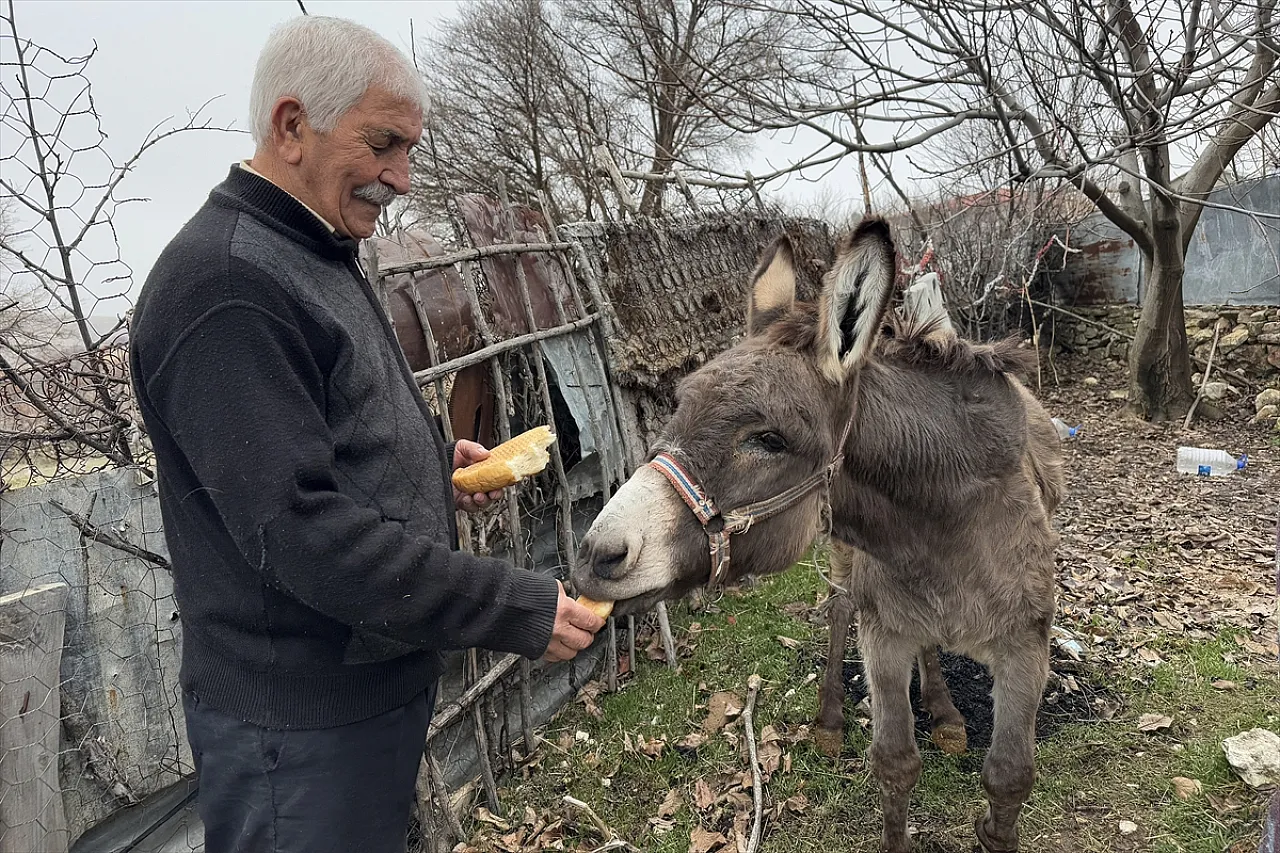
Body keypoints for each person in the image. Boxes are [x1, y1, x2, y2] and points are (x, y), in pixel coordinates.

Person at [127, 15, 605, 853]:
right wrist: (510, 603)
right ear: (290, 125)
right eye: (385, 143)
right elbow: (302, 532)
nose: (404, 177)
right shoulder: (228, 284)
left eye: (410, 150)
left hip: (355, 700)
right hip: (297, 737)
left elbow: (320, 440)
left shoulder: (311, 249)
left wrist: (427, 465)